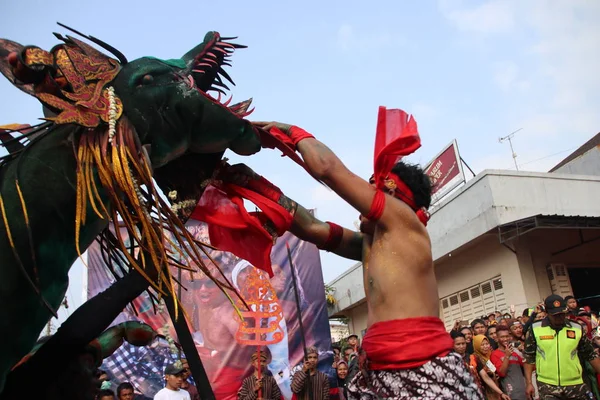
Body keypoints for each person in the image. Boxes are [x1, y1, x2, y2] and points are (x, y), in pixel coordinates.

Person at [231, 112, 481, 399]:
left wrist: (289, 131)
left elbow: (327, 169)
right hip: (379, 372)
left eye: (372, 188)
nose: (363, 195)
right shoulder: (370, 243)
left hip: (422, 370)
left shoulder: (404, 221)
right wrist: (256, 185)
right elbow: (312, 228)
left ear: (392, 196)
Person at [524, 294, 600, 400]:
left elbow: (591, 355)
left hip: (575, 384)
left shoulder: (576, 328)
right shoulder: (535, 329)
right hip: (547, 386)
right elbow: (529, 358)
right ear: (547, 313)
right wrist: (528, 383)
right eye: (555, 315)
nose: (559, 317)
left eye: (561, 314)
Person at [490, 325, 526, 400]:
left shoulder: (514, 352)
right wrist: (507, 356)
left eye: (507, 336)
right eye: (502, 337)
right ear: (497, 338)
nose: (505, 339)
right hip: (510, 393)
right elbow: (502, 373)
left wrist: (523, 352)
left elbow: (525, 365)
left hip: (523, 391)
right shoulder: (494, 354)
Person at [469, 335, 510, 400]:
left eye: (487, 344)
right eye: (482, 345)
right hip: (486, 392)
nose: (485, 347)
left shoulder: (490, 355)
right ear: (476, 345)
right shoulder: (475, 358)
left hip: (497, 389)